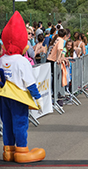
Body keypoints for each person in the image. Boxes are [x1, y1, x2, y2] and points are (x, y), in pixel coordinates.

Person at [0, 11, 46, 163]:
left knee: (6, 122)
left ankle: (8, 150)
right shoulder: (21, 61)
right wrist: (38, 98)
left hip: (3, 95)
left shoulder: (2, 59)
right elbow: (29, 82)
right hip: (18, 96)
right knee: (20, 123)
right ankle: (21, 150)